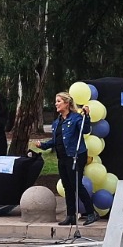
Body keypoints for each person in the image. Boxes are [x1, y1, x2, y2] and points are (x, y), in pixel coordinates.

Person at [37, 91, 95, 226]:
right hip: (62, 157)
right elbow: (56, 140)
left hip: (75, 155)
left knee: (76, 184)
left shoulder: (76, 118)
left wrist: (86, 116)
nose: (56, 104)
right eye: (56, 101)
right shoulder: (57, 122)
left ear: (67, 103)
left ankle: (91, 212)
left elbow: (85, 130)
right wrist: (44, 145)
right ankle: (71, 215)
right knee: (67, 186)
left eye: (58, 101)